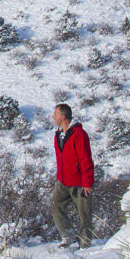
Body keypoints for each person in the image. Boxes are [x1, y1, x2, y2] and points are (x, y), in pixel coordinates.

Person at [50, 102, 95, 248]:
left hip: (79, 182)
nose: (53, 117)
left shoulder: (79, 135)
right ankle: (68, 236)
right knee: (56, 206)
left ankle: (85, 245)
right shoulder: (58, 135)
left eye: (55, 114)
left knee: (84, 215)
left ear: (63, 116)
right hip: (63, 180)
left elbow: (85, 158)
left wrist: (87, 182)